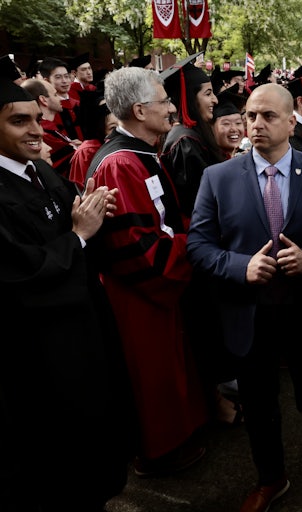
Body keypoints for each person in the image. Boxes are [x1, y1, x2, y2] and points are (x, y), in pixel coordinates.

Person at [187, 83, 302, 512]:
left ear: (292, 122)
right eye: (251, 116)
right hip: (248, 313)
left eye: (268, 116)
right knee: (258, 404)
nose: (255, 124)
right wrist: (242, 267)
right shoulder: (216, 178)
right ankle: (271, 478)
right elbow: (198, 246)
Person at [0, 78, 131, 511]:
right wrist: (78, 235)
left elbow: (76, 217)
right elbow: (20, 272)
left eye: (38, 118)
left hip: (80, 331)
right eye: (20, 121)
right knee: (54, 458)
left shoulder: (39, 170)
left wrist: (93, 207)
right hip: (37, 352)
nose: (37, 130)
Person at [86, 66, 209, 478]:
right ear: (140, 110)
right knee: (150, 373)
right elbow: (137, 248)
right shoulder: (119, 164)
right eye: (164, 100)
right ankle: (159, 451)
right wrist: (194, 247)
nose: (172, 108)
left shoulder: (140, 155)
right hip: (136, 294)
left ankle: (178, 435)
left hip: (151, 286)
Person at [160, 53, 223, 219]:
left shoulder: (185, 136)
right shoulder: (185, 141)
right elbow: (200, 200)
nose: (215, 100)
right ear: (189, 97)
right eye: (208, 93)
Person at [20, 78, 77, 178]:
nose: (59, 99)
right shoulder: (43, 134)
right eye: (55, 95)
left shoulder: (50, 128)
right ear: (43, 100)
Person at [69, 88, 118, 190]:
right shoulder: (87, 152)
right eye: (113, 128)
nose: (119, 132)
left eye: (121, 126)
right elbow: (81, 189)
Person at [38, 57, 82, 142]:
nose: (64, 81)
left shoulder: (79, 104)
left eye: (66, 76)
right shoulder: (47, 110)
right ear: (46, 81)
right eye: (58, 77)